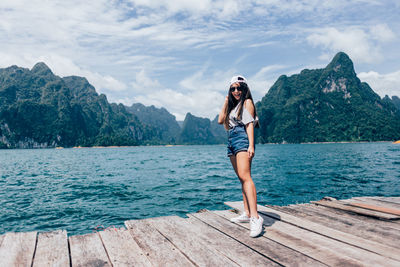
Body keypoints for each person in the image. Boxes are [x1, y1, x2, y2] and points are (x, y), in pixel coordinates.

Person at [218, 75, 264, 237]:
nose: (236, 91)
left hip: (242, 138)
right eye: (233, 88)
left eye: (239, 88)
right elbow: (220, 121)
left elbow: (249, 124)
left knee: (246, 177)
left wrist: (251, 145)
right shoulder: (233, 106)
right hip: (231, 139)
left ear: (244, 88)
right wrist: (226, 101)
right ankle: (247, 212)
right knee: (241, 178)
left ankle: (255, 217)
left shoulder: (247, 103)